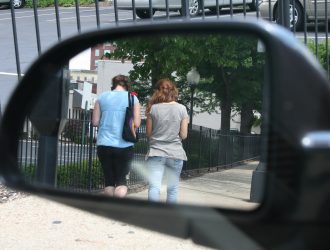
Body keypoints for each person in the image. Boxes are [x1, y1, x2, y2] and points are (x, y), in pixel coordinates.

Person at [92, 75, 141, 198]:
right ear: (126, 85)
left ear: (113, 84)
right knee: (121, 181)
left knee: (109, 181)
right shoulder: (133, 98)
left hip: (104, 144)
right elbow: (138, 123)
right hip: (124, 145)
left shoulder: (102, 97)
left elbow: (95, 122)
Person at [146, 79, 189, 203]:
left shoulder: (153, 109)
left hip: (156, 152)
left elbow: (149, 134)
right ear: (173, 91)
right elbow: (184, 135)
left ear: (158, 91)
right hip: (175, 153)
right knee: (173, 188)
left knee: (154, 187)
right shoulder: (182, 109)